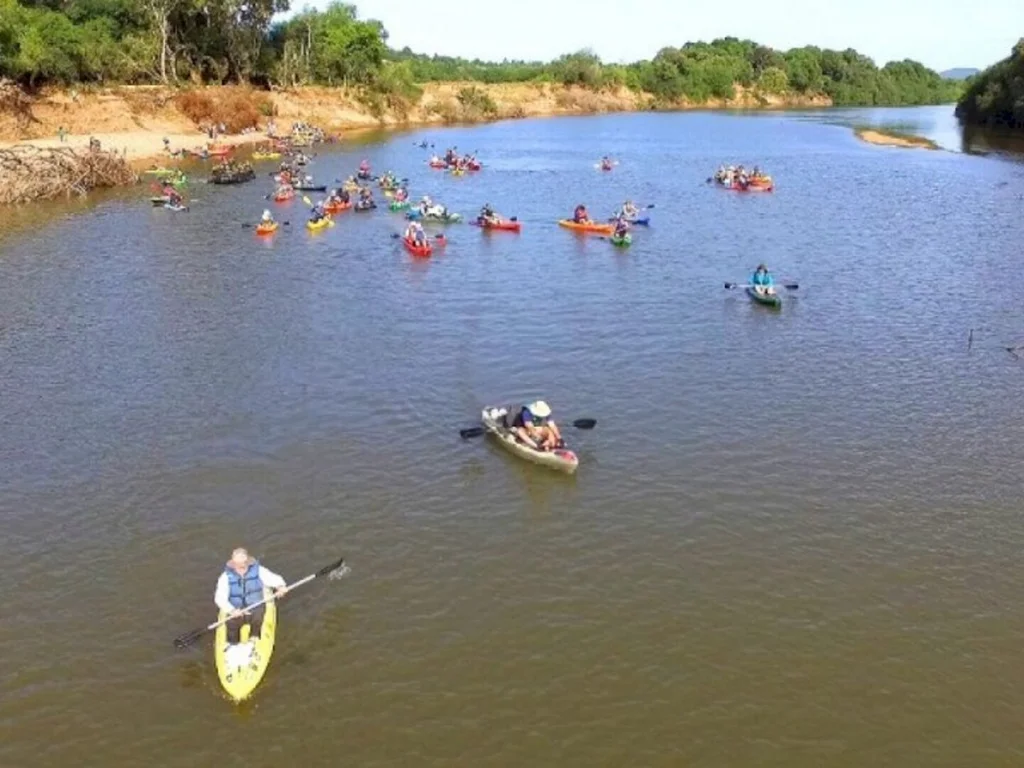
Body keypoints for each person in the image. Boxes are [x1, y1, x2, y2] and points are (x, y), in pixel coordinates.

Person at [214, 548, 288, 645]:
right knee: (232, 625)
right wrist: (231, 610)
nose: (241, 566)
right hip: (236, 609)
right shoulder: (225, 577)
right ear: (233, 563)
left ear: (247, 561)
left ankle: (254, 638)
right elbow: (219, 598)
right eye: (238, 564)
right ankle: (232, 644)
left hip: (255, 605)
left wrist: (281, 587)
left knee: (258, 619)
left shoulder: (259, 571)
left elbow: (276, 579)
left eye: (243, 563)